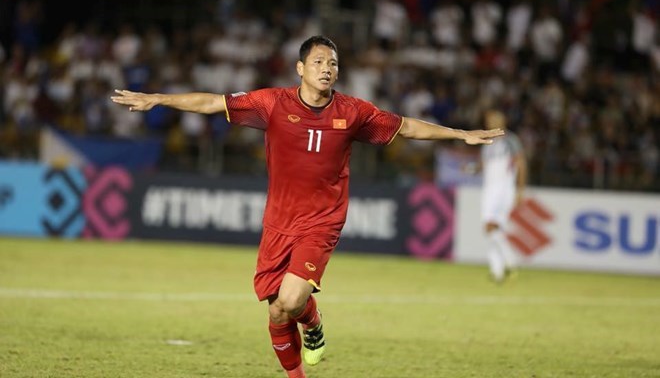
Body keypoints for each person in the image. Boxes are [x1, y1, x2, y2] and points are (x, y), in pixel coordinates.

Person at [111, 35, 504, 378]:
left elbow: (406, 126)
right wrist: (159, 99)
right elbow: (212, 102)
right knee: (278, 311)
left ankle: (311, 319)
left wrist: (460, 134)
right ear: (300, 68)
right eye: (318, 61)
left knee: (293, 299)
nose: (327, 68)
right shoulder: (272, 103)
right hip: (278, 221)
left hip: (322, 221)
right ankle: (304, 352)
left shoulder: (353, 112)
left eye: (333, 63)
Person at [466, 108, 527, 283]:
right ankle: (497, 271)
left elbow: (521, 164)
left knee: (491, 227)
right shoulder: (486, 141)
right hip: (489, 189)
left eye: (494, 119)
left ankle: (509, 262)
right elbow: (481, 166)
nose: (490, 123)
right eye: (488, 120)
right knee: (493, 229)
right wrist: (469, 169)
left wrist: (520, 190)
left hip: (504, 189)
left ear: (502, 121)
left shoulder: (510, 140)